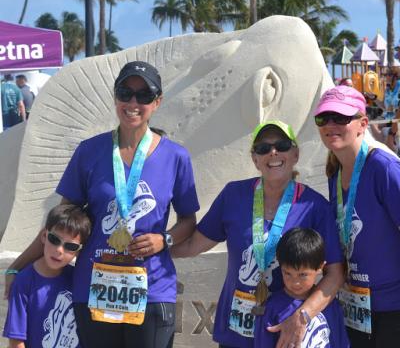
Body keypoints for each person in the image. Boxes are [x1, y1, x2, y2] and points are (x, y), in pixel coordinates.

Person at [5, 61, 200, 348]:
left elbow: (188, 221)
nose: (133, 102)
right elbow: (61, 223)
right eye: (125, 92)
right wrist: (17, 267)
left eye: (144, 96)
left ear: (157, 102)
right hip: (94, 288)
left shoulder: (176, 157)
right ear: (115, 97)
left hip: (152, 288)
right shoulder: (89, 152)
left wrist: (164, 239)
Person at [171, 120, 344, 348]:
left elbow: (335, 273)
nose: (273, 152)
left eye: (281, 145)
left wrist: (303, 316)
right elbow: (194, 245)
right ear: (255, 159)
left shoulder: (314, 206)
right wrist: (152, 250)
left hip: (283, 329)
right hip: (236, 330)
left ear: (295, 154)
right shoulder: (233, 195)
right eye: (263, 148)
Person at [314, 85, 400, 347]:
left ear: (363, 124)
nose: (331, 125)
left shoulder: (383, 168)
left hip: (393, 308)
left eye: (341, 118)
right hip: (355, 306)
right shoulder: (334, 174)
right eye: (323, 118)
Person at [3, 204, 91, 348]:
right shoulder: (24, 281)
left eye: (71, 246)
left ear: (79, 251)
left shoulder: (78, 279)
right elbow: (16, 341)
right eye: (55, 239)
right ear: (44, 236)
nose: (59, 250)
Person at [254, 227, 349, 348]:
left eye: (303, 275)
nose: (295, 282)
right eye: (287, 273)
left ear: (320, 267)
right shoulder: (270, 308)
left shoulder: (331, 305)